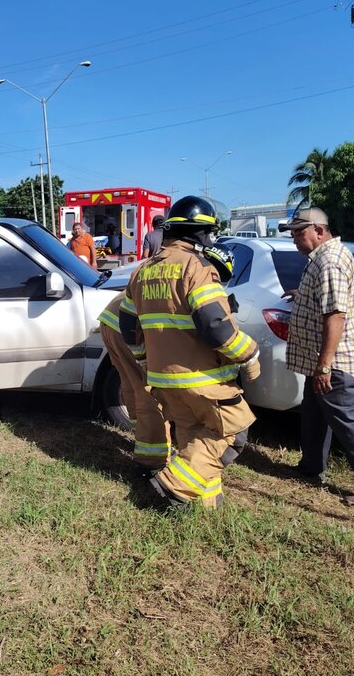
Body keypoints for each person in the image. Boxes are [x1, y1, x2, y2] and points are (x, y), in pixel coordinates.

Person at [120, 196, 260, 509]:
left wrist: (144, 359)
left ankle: (208, 503)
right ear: (198, 233)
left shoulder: (142, 272)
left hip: (163, 379)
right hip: (203, 379)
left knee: (194, 437)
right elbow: (215, 326)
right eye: (209, 233)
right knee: (233, 432)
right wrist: (249, 355)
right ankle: (173, 485)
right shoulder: (196, 267)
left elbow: (128, 326)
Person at [281, 207, 354, 507]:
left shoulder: (330, 261)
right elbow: (327, 299)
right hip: (320, 362)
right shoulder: (322, 258)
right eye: (292, 233)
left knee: (350, 423)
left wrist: (324, 365)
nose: (294, 238)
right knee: (315, 415)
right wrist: (302, 295)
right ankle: (311, 467)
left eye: (299, 232)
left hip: (335, 364)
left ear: (319, 230)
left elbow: (335, 315)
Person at [99, 289, 171, 475]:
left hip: (110, 321)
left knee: (131, 384)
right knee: (149, 389)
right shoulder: (195, 276)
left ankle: (142, 437)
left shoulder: (170, 269)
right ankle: (153, 460)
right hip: (125, 326)